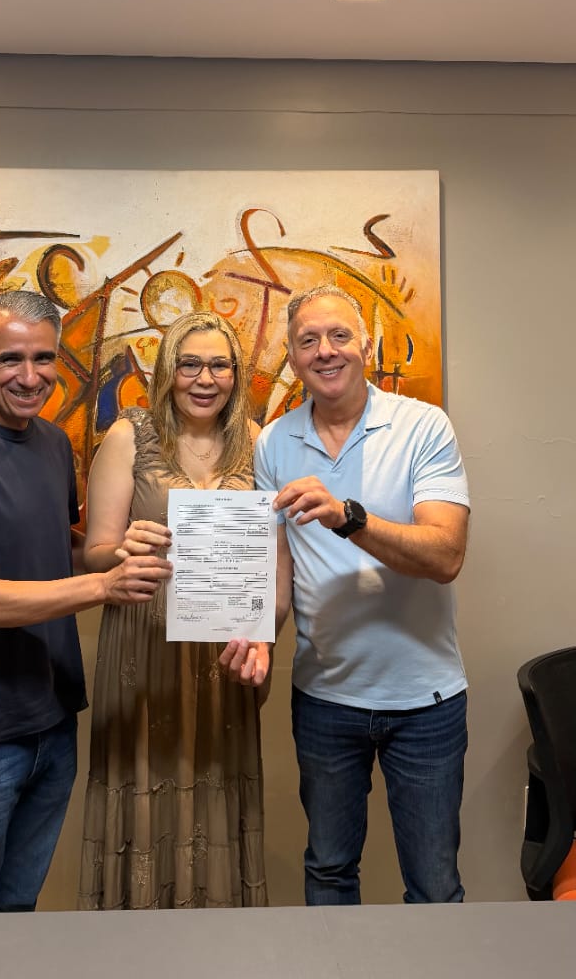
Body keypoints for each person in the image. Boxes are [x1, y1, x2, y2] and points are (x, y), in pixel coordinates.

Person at [0, 290, 171, 914]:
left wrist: (117, 551)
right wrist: (103, 587)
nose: (29, 376)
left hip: (51, 724)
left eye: (43, 358)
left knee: (17, 919)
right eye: (10, 359)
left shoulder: (51, 443)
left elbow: (55, 549)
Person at [241, 283, 470, 906]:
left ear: (365, 346)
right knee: (329, 872)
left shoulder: (422, 426)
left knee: (434, 888)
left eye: (339, 335)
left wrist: (350, 517)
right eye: (308, 340)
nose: (325, 350)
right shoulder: (274, 443)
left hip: (425, 702)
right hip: (324, 700)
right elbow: (280, 574)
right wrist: (259, 637)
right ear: (293, 358)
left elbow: (446, 556)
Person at [78, 311, 268, 909]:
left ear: (236, 374)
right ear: (167, 371)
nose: (204, 379)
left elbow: (274, 553)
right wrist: (125, 547)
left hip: (223, 652)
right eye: (189, 365)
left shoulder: (259, 440)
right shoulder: (129, 435)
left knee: (215, 784)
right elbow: (95, 553)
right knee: (143, 780)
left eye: (218, 365)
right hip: (144, 643)